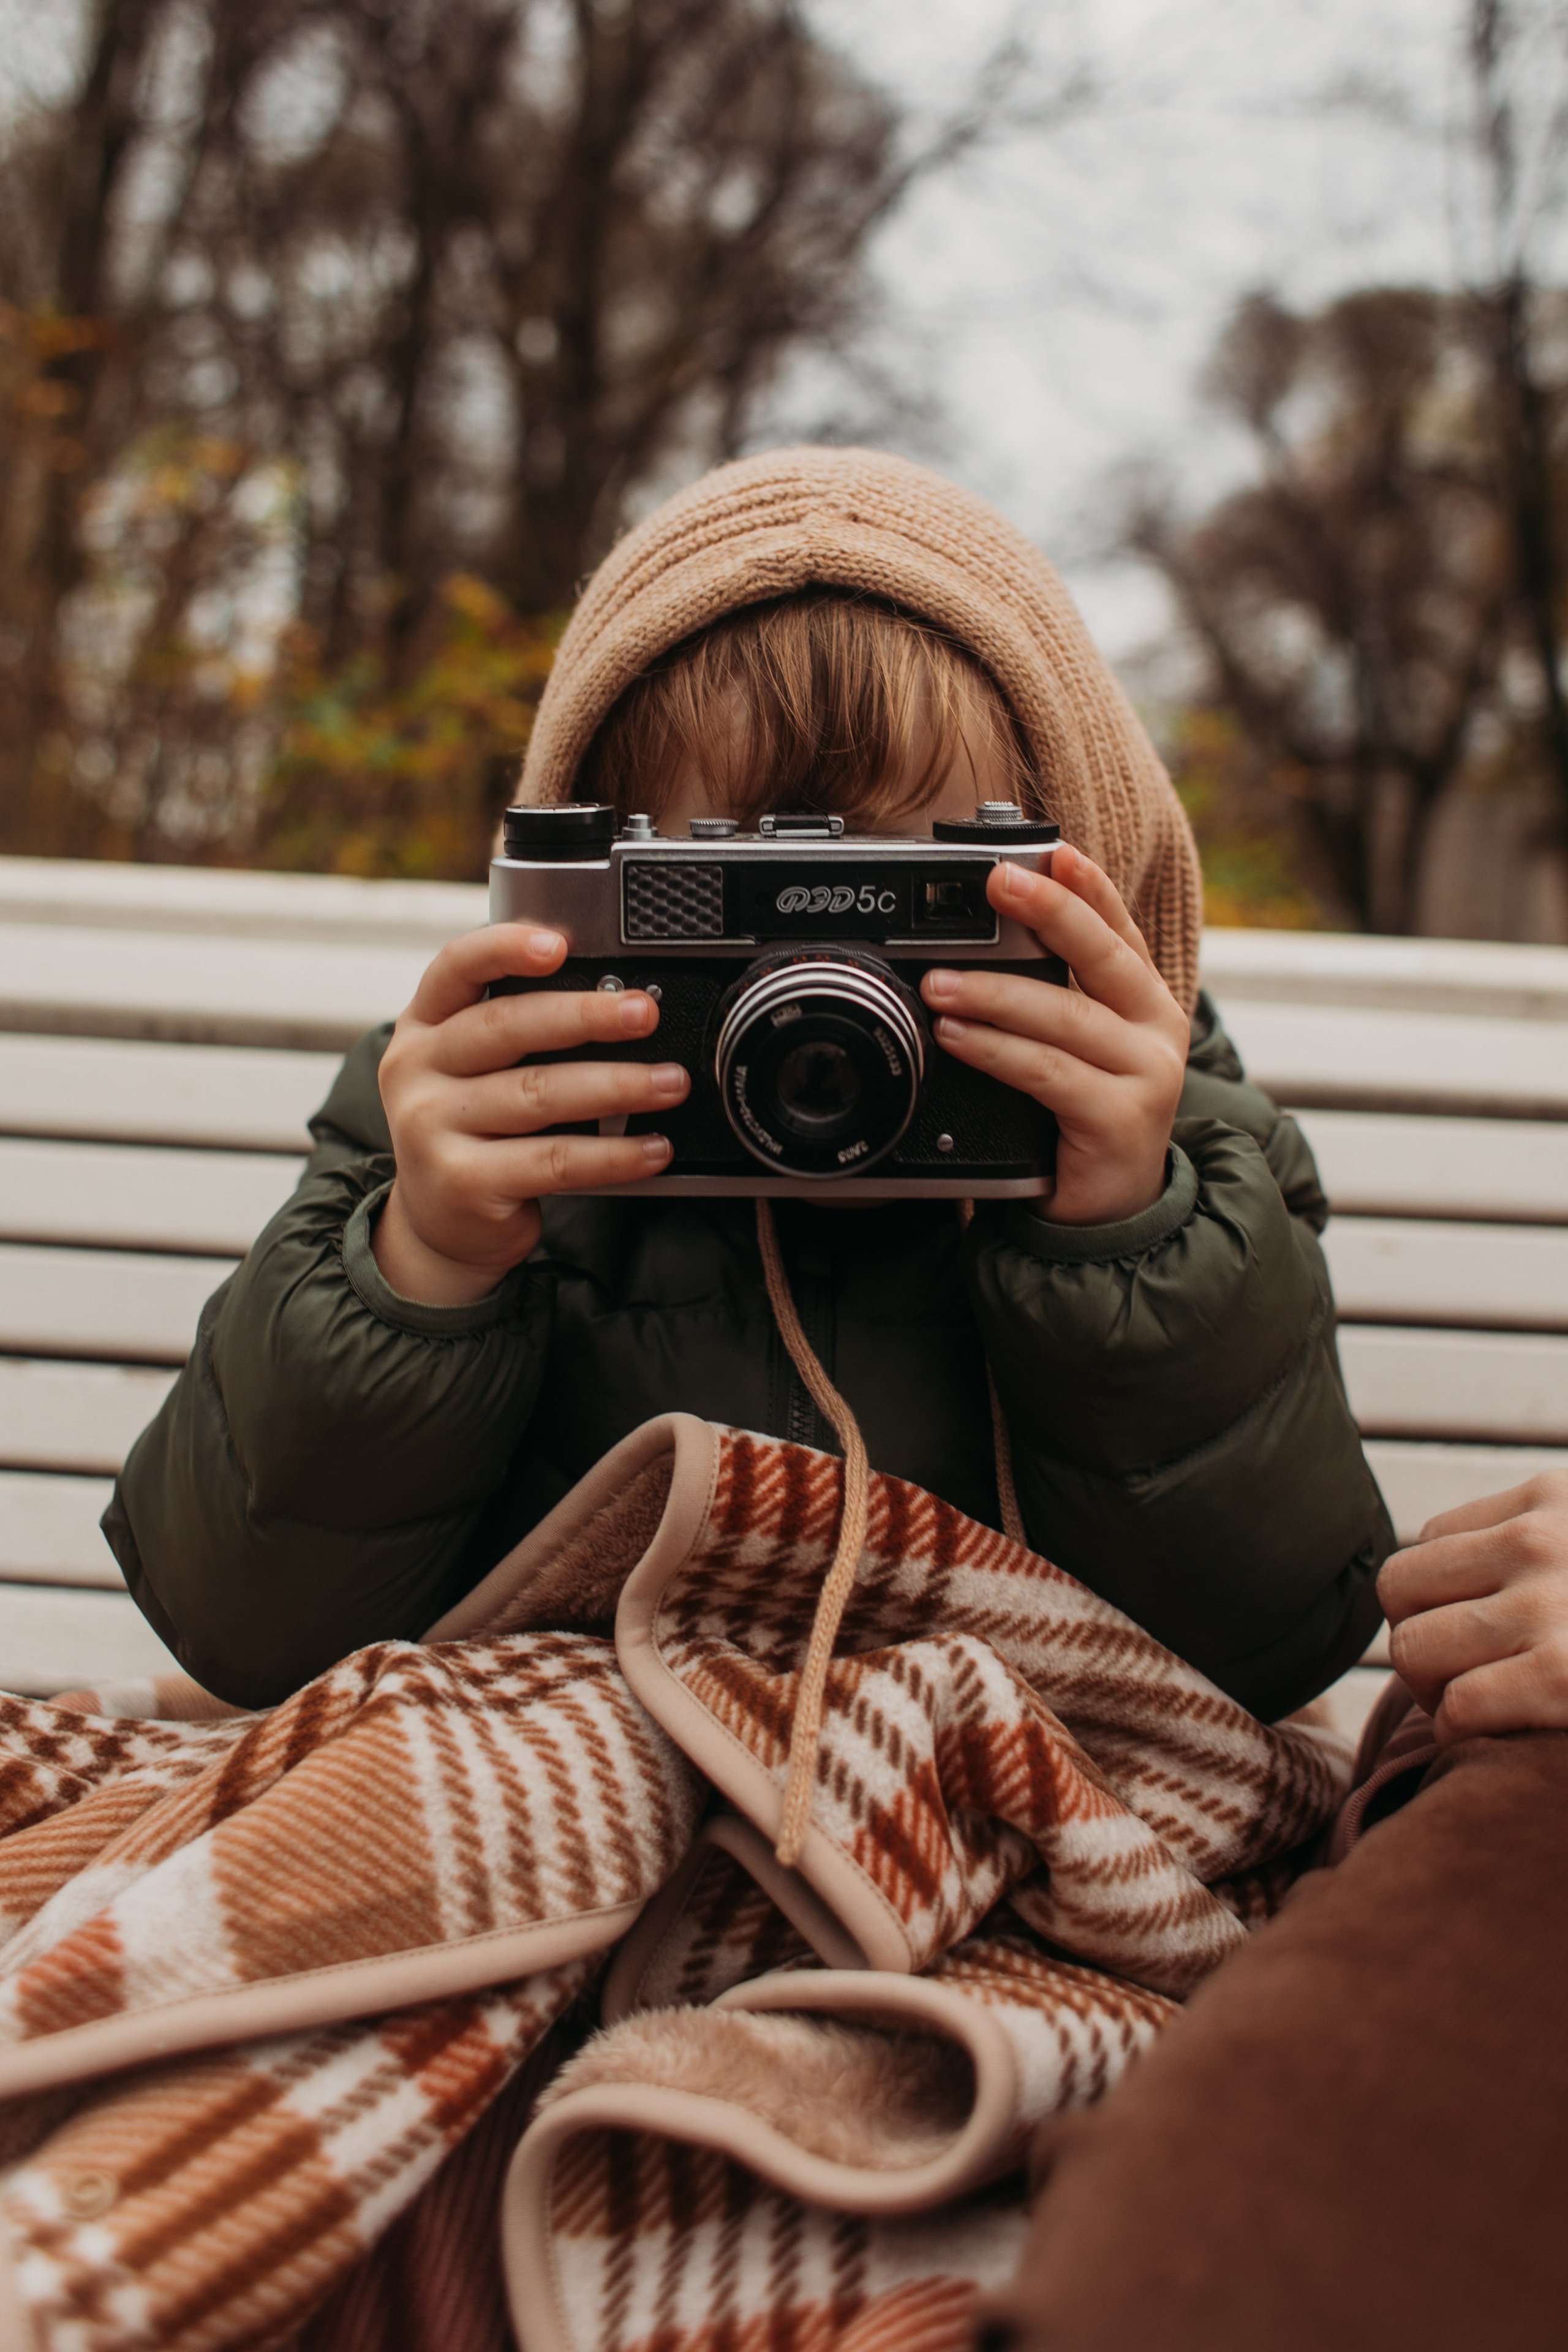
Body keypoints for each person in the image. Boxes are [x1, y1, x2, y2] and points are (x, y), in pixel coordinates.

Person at [102, 447, 1390, 1715]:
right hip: (565, 1807)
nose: (822, 998)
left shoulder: (1191, 1173)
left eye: (910, 905)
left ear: (1079, 877)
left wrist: (1127, 1248)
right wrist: (421, 1270)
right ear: (587, 887)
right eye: (718, 895)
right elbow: (248, 1635)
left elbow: (1262, 1659)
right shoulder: (467, 1131)